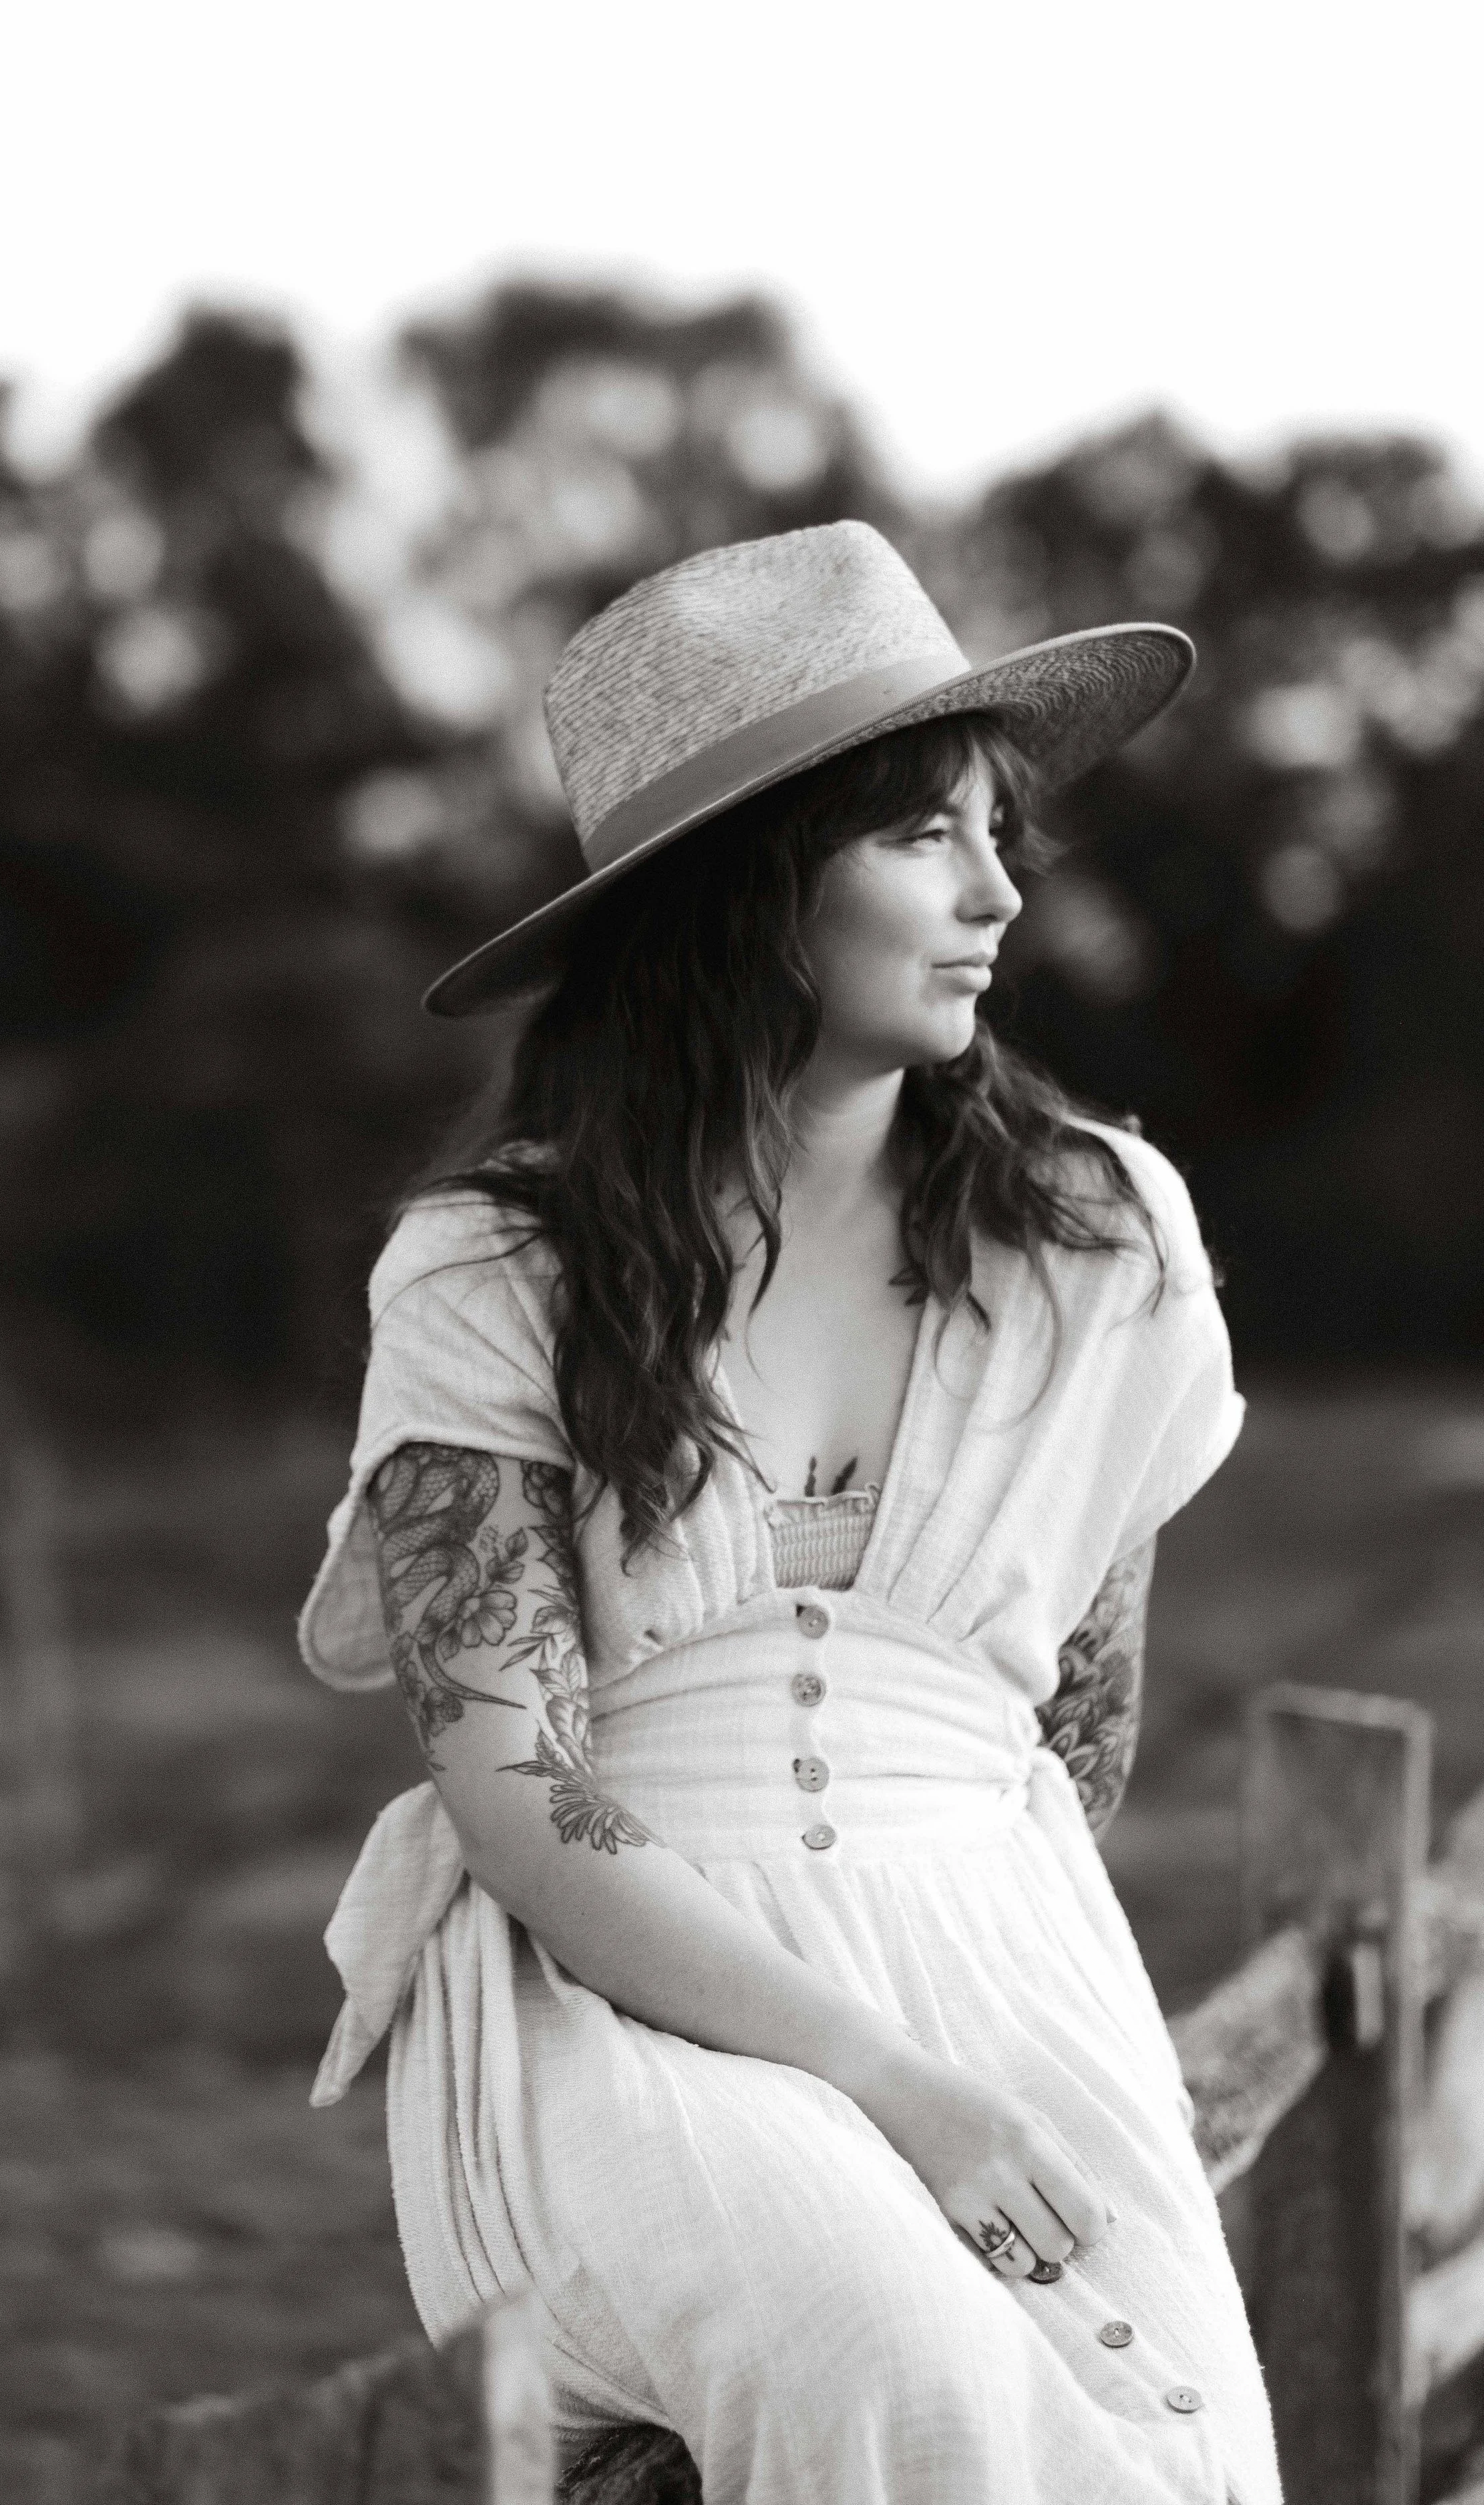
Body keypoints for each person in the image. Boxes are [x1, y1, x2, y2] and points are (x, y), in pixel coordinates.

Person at [299, 522, 1282, 2504]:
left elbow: (1074, 1721)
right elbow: (516, 1785)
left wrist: (994, 2022)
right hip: (619, 1993)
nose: (999, 890)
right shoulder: (495, 1271)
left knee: (1181, 2445)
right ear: (744, 892)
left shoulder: (1105, 1241)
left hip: (993, 1940)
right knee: (889, 2353)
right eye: (925, 835)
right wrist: (890, 2082)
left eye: (997, 829)